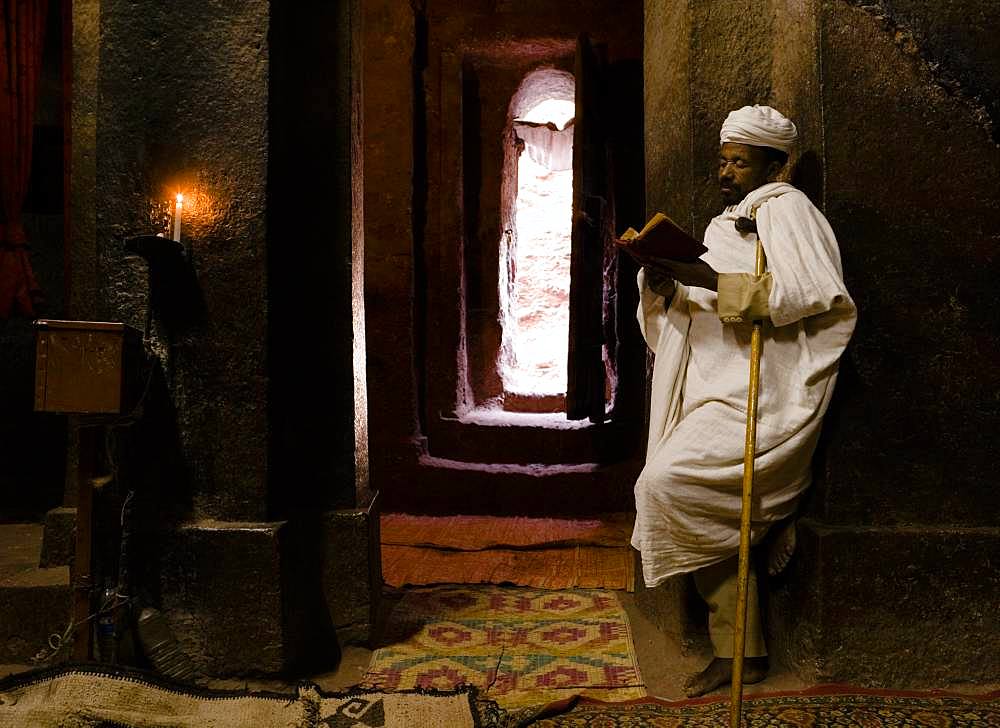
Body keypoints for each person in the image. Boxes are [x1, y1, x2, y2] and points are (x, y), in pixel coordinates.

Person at [628, 105, 857, 697]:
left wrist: (701, 279)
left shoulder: (788, 211)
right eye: (723, 160)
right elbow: (704, 307)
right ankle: (740, 650)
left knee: (667, 484)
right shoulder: (726, 221)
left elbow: (812, 294)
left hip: (762, 393)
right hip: (713, 386)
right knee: (690, 497)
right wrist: (665, 287)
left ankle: (768, 519)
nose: (725, 171)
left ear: (774, 163)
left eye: (739, 160)